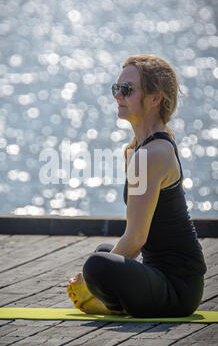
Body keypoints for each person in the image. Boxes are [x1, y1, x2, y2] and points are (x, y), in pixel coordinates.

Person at [67, 54, 207, 317]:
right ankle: (112, 298)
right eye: (116, 88)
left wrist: (89, 283)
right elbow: (138, 235)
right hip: (157, 272)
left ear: (155, 99)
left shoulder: (151, 154)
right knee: (103, 253)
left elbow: (136, 238)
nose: (118, 95)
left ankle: (111, 305)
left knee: (97, 265)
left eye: (127, 89)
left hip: (178, 289)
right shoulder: (135, 150)